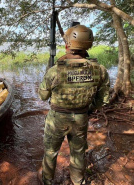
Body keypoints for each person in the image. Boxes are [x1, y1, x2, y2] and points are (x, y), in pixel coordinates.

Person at [38, 24, 110, 185]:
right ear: (88, 45)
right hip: (81, 118)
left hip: (57, 118)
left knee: (50, 152)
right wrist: (89, 109)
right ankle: (78, 181)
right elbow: (103, 99)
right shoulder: (100, 69)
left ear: (67, 46)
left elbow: (43, 96)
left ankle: (47, 181)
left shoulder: (55, 70)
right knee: (78, 153)